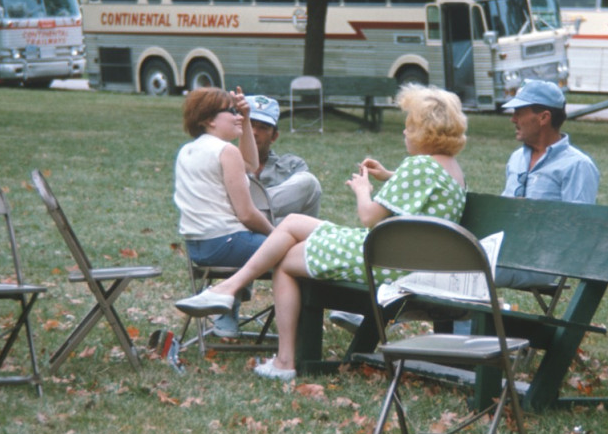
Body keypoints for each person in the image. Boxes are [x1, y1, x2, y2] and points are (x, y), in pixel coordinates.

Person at [175, 84, 469, 382]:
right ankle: (231, 295)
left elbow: (368, 217)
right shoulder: (451, 169)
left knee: (287, 256)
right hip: (409, 259)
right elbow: (427, 187)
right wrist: (389, 176)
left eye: (409, 126)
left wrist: (363, 189)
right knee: (291, 224)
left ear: (425, 131)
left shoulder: (417, 166)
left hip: (386, 262)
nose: (405, 133)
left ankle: (282, 356)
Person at [174, 87, 275, 337]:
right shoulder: (225, 151)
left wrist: (247, 116)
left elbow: (250, 165)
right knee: (293, 253)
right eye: (233, 112)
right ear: (209, 119)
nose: (239, 117)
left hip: (198, 248)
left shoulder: (187, 150)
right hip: (227, 243)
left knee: (263, 246)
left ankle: (227, 312)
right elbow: (247, 215)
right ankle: (297, 333)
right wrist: (279, 235)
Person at [498, 79, 599, 289]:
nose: (513, 119)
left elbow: (578, 229)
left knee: (469, 270)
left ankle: (470, 323)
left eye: (519, 112)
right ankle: (467, 323)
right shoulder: (517, 158)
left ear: (544, 117)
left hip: (541, 262)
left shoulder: (577, 165)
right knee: (453, 262)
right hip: (505, 252)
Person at [245, 93, 322, 221]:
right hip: (235, 232)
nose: (254, 132)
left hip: (279, 233)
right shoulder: (224, 160)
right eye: (250, 125)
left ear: (274, 136)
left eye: (263, 128)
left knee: (309, 182)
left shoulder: (292, 166)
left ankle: (249, 210)